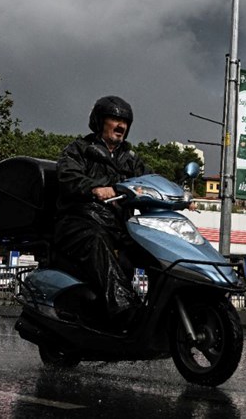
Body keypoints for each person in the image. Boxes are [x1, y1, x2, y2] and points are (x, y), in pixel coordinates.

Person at [55, 95, 150, 327]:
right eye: (114, 119)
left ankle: (163, 309)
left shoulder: (130, 159)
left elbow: (151, 180)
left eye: (125, 121)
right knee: (96, 240)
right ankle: (125, 309)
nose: (120, 125)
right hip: (81, 223)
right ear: (99, 121)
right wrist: (95, 188)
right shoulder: (80, 149)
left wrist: (180, 196)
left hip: (119, 227)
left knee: (155, 247)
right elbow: (67, 176)